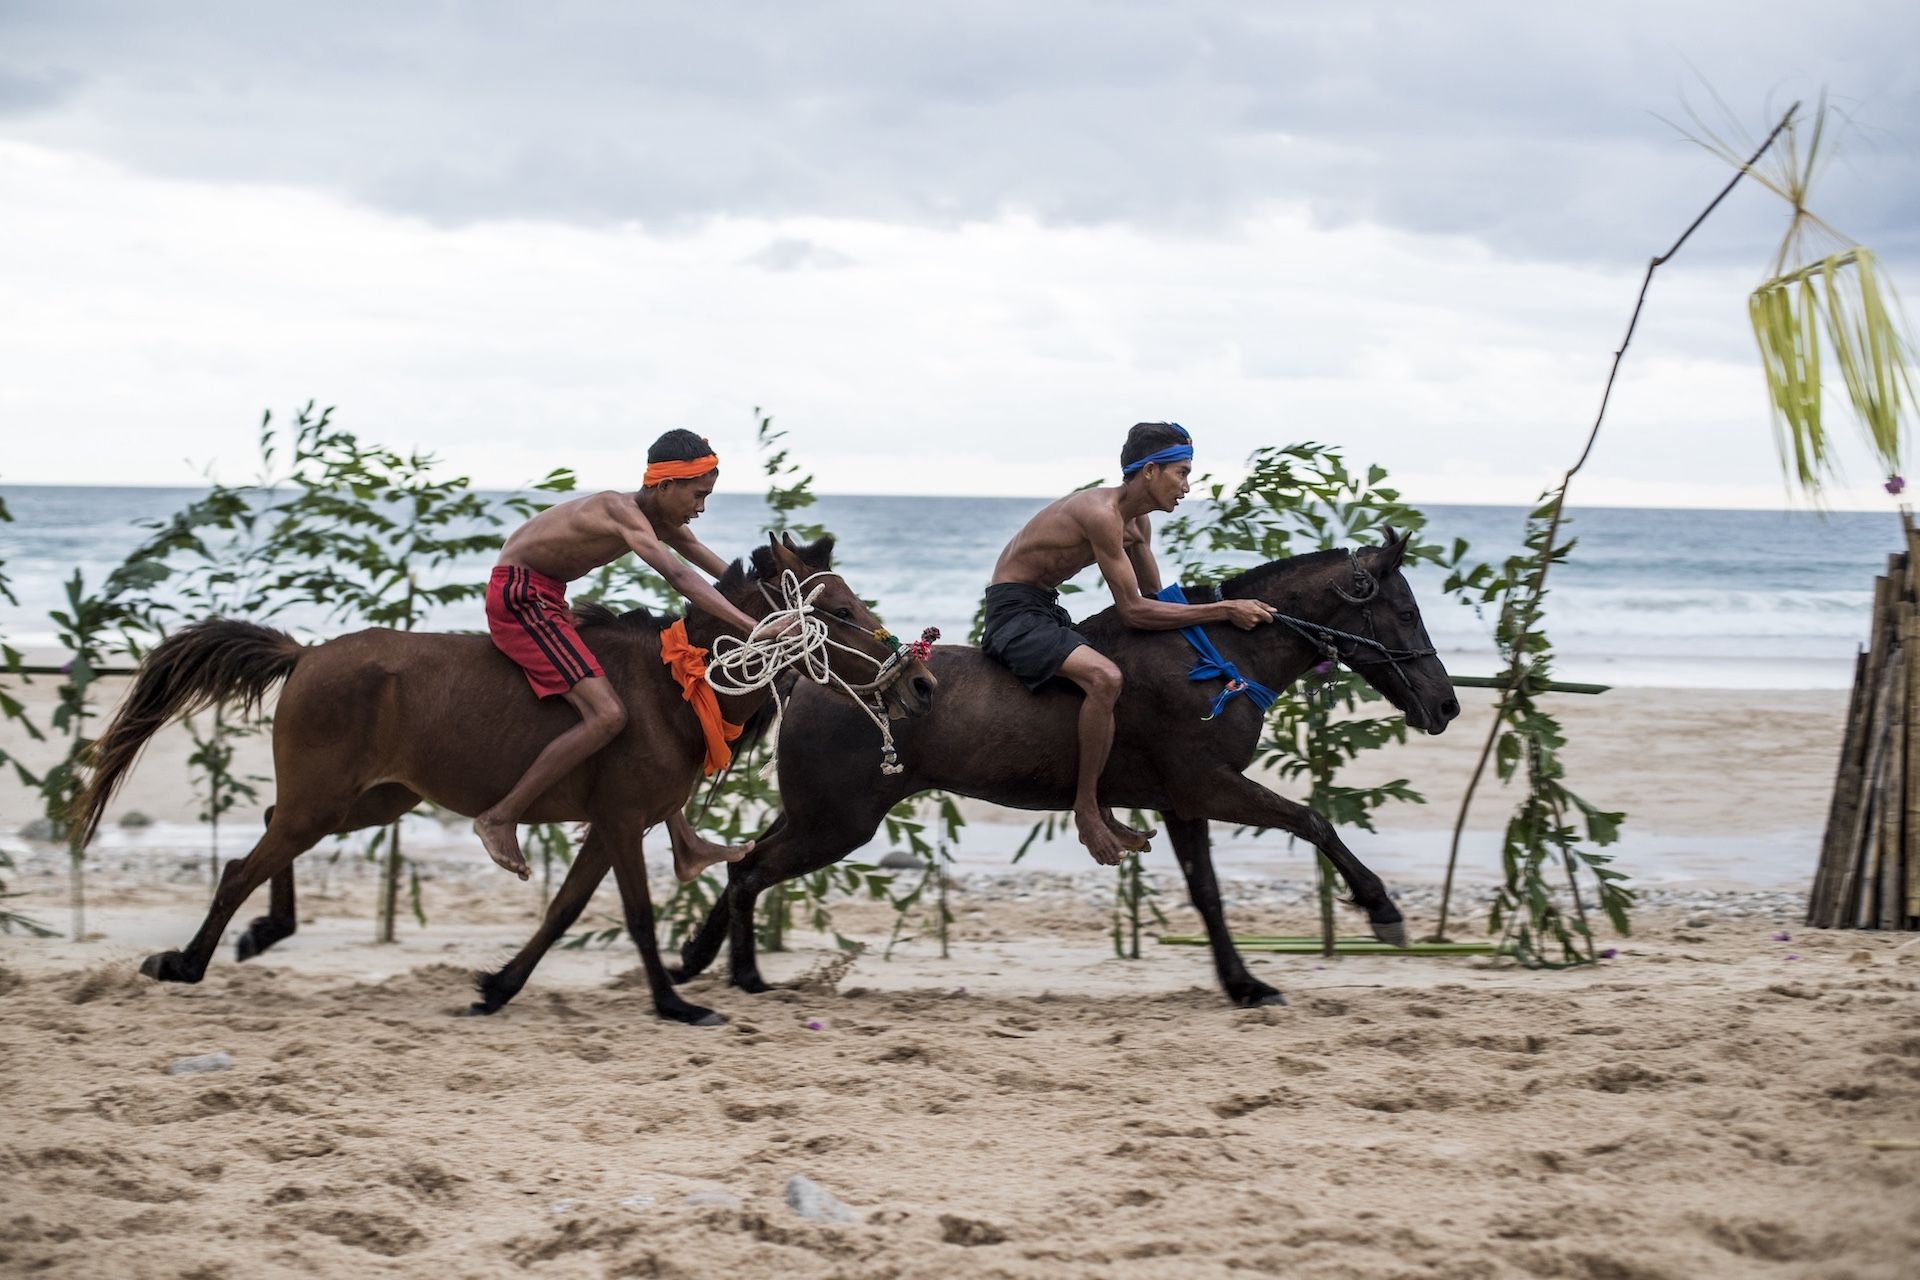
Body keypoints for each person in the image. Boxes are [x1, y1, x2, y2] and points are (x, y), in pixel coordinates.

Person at [474, 429, 763, 883]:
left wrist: (774, 599)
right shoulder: (619, 510)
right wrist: (754, 627)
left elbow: (717, 570)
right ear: (665, 485)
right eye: (698, 495)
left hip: (550, 597)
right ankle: (500, 817)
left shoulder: (658, 520)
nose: (701, 508)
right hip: (520, 598)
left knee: (647, 703)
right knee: (608, 714)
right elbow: (680, 576)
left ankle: (685, 844)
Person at [982, 422, 1276, 865]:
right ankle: (1086, 811)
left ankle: (1101, 798)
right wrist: (1225, 609)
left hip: (1046, 609)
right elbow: (1134, 611)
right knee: (1105, 678)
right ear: (1151, 471)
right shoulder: (1101, 514)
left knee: (1133, 672)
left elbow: (1157, 600)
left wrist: (1219, 643)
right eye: (1181, 473)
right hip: (1014, 615)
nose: (1186, 486)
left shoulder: (1136, 525)